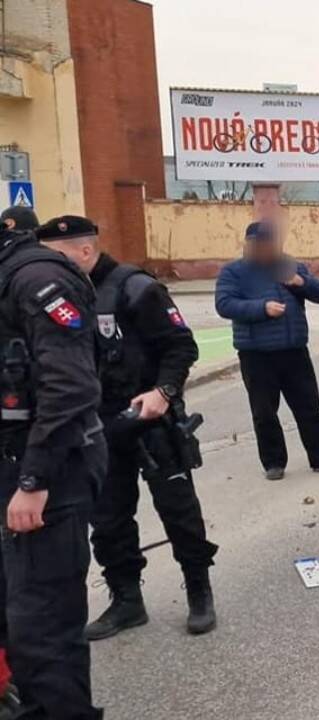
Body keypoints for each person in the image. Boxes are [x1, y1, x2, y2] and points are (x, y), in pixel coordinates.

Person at [38, 216, 219, 640]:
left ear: (85, 250)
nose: (49, 268)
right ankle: (126, 601)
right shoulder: (60, 297)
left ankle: (199, 590)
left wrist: (163, 392)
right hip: (99, 427)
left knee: (179, 512)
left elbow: (181, 346)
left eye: (56, 257)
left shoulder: (136, 288)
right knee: (108, 519)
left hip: (151, 421)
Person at [0, 218, 106, 718]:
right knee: (16, 625)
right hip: (14, 470)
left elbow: (71, 389)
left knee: (42, 632)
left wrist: (34, 481)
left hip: (47, 474)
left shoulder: (37, 279)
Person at [215, 222, 319, 480]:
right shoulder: (234, 272)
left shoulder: (290, 265)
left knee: (309, 407)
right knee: (265, 411)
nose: (267, 250)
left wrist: (301, 282)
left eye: (271, 245)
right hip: (256, 354)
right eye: (261, 246)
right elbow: (224, 304)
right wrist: (262, 308)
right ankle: (274, 463)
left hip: (294, 351)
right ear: (250, 245)